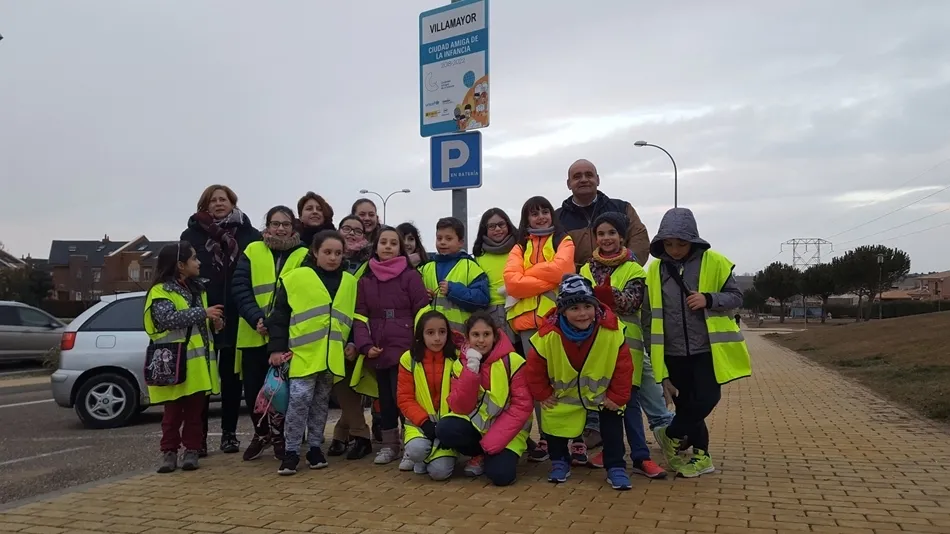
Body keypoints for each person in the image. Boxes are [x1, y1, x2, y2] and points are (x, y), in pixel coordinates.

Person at [643, 207, 751, 478]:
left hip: (707, 349)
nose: (675, 249)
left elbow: (736, 297)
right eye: (669, 243)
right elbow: (648, 316)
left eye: (681, 243)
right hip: (672, 352)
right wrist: (655, 357)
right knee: (687, 405)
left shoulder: (715, 262)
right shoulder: (654, 270)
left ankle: (669, 434)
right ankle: (702, 457)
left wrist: (709, 299)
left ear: (693, 240)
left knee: (707, 397)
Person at [525, 274, 634, 489]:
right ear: (562, 310)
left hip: (603, 395)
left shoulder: (612, 332)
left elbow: (624, 367)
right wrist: (543, 394)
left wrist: (618, 396)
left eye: (587, 306)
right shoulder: (547, 335)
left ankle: (616, 467)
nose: (582, 313)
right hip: (563, 395)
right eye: (574, 308)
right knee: (554, 423)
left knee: (612, 428)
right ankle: (559, 461)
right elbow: (534, 368)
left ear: (596, 307)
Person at [579, 212, 667, 479]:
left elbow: (631, 302)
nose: (607, 238)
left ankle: (641, 456)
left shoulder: (634, 269)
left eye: (612, 233)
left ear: (622, 237)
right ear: (595, 237)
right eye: (601, 233)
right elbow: (577, 304)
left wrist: (601, 295)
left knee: (628, 402)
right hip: (596, 345)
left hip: (629, 346)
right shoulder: (585, 269)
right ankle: (612, 451)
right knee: (604, 403)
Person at [266, 230, 359, 475]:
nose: (333, 258)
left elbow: (351, 317)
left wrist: (351, 342)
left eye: (338, 253)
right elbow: (279, 316)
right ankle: (291, 451)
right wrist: (276, 348)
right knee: (299, 402)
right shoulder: (295, 278)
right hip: (302, 355)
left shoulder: (349, 282)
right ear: (315, 252)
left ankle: (315, 448)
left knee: (320, 405)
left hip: (331, 357)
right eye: (327, 252)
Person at [180, 184, 261, 455]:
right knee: (203, 380)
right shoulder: (190, 235)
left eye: (223, 199)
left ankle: (229, 434)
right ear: (205, 205)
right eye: (212, 200)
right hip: (203, 312)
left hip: (238, 314)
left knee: (231, 378)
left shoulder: (250, 235)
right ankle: (198, 438)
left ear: (232, 202)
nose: (218, 204)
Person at [503, 196, 576, 463]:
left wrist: (528, 274)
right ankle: (546, 438)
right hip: (525, 327)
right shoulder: (519, 246)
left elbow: (563, 271)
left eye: (545, 211)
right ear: (526, 219)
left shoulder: (563, 241)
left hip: (555, 323)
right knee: (537, 384)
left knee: (563, 381)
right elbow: (512, 284)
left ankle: (572, 438)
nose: (541, 217)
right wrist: (543, 277)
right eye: (534, 213)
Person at [232, 206, 308, 462]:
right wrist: (256, 318)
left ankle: (280, 437)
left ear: (293, 227)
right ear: (267, 226)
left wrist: (275, 323)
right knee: (255, 391)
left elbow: (304, 293)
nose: (280, 229)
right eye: (275, 223)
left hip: (287, 337)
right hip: (253, 334)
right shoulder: (252, 250)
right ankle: (260, 433)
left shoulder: (304, 254)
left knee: (281, 391)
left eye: (286, 224)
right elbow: (240, 288)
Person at [353, 226, 430, 465]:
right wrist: (365, 346)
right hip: (379, 348)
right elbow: (360, 317)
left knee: (405, 399)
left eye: (393, 243)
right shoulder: (366, 280)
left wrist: (418, 345)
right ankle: (390, 445)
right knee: (384, 400)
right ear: (375, 246)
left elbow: (422, 312)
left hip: (406, 349)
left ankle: (411, 444)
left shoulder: (411, 276)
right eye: (383, 242)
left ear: (400, 249)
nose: (387, 246)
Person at [145, 242, 222, 473]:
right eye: (194, 258)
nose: (199, 263)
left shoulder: (198, 289)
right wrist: (203, 313)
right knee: (171, 414)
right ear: (180, 265)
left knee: (194, 413)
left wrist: (216, 322)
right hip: (172, 363)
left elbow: (201, 324)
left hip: (197, 365)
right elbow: (166, 319)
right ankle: (169, 453)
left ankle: (192, 451)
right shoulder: (160, 291)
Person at [437, 311, 532, 486]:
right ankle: (479, 454)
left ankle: (491, 454)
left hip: (509, 429)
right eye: (475, 335)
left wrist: (492, 442)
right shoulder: (460, 365)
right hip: (477, 424)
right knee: (445, 428)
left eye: (486, 334)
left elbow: (522, 406)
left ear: (495, 336)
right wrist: (471, 372)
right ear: (468, 337)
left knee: (502, 477)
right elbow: (460, 407)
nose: (481, 340)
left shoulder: (514, 361)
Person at [323, 215, 375, 459]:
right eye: (347, 228)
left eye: (358, 230)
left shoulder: (370, 264)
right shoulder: (327, 260)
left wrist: (356, 340)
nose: (352, 233)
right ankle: (348, 433)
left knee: (350, 387)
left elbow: (362, 307)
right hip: (329, 335)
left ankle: (354, 434)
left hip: (359, 334)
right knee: (344, 388)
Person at [397, 310, 459, 480]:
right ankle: (420, 457)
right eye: (430, 333)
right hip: (419, 425)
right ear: (420, 335)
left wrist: (448, 427)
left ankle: (431, 456)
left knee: (440, 474)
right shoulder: (408, 359)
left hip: (447, 426)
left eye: (442, 332)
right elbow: (405, 398)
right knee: (416, 450)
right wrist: (424, 423)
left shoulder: (457, 358)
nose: (437, 338)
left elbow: (463, 397)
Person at [555, 159, 650, 269]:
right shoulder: (556, 219)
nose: (584, 180)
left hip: (621, 283)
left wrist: (623, 269)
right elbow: (551, 253)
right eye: (577, 176)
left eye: (589, 175)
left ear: (598, 180)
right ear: (568, 184)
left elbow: (639, 240)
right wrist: (583, 274)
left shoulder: (623, 208)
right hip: (575, 283)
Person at [419, 217, 490, 332]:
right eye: (439, 238)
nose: (442, 242)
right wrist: (424, 296)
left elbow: (482, 300)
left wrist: (453, 290)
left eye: (448, 238)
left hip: (461, 336)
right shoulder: (426, 268)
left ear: (460, 243)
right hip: (433, 337)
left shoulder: (470, 267)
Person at [471, 208, 518, 345]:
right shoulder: (479, 257)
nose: (497, 229)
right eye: (491, 226)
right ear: (484, 230)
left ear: (508, 225)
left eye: (501, 224)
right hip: (491, 312)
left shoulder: (520, 249)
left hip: (520, 308)